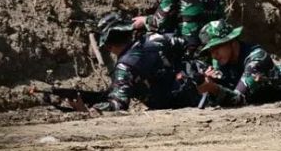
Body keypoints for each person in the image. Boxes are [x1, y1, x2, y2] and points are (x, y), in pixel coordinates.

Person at [70, 12, 200, 112]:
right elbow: (188, 46)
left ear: (108, 46)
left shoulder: (125, 67)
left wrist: (92, 109)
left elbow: (118, 104)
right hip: (197, 92)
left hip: (175, 107)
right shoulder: (156, 38)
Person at [195, 19, 281, 107]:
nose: (214, 55)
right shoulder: (221, 60)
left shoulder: (256, 59)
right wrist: (210, 84)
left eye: (217, 47)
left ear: (232, 41)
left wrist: (214, 88)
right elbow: (221, 98)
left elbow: (238, 100)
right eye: (210, 51)